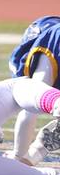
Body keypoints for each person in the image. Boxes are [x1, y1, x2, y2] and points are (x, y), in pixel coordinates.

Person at [8, 15, 60, 165]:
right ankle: (28, 156)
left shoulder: (52, 39)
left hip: (53, 43)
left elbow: (30, 107)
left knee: (33, 100)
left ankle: (22, 157)